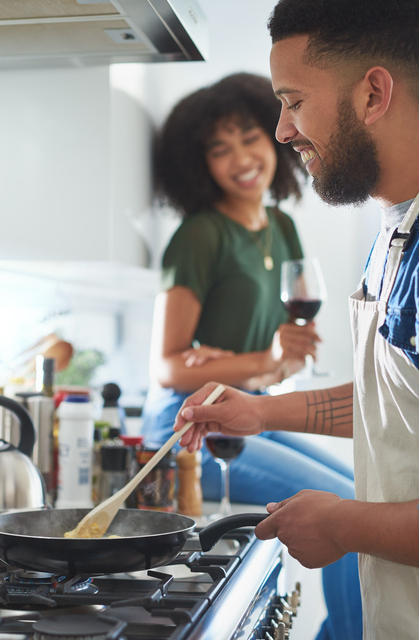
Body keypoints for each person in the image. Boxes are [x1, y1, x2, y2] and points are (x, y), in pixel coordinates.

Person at [174, 1, 419, 637]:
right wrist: (262, 411)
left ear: (372, 94)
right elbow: (394, 405)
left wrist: (343, 524)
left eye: (294, 101)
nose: (283, 131)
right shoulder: (394, 229)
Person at [140, 72, 362, 640]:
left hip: (251, 410)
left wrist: (274, 361)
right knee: (345, 508)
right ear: (199, 164)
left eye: (249, 137)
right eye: (220, 149)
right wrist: (261, 359)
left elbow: (280, 363)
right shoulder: (199, 235)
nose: (241, 157)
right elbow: (167, 367)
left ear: (275, 137)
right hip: (187, 425)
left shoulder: (281, 226)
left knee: (367, 493)